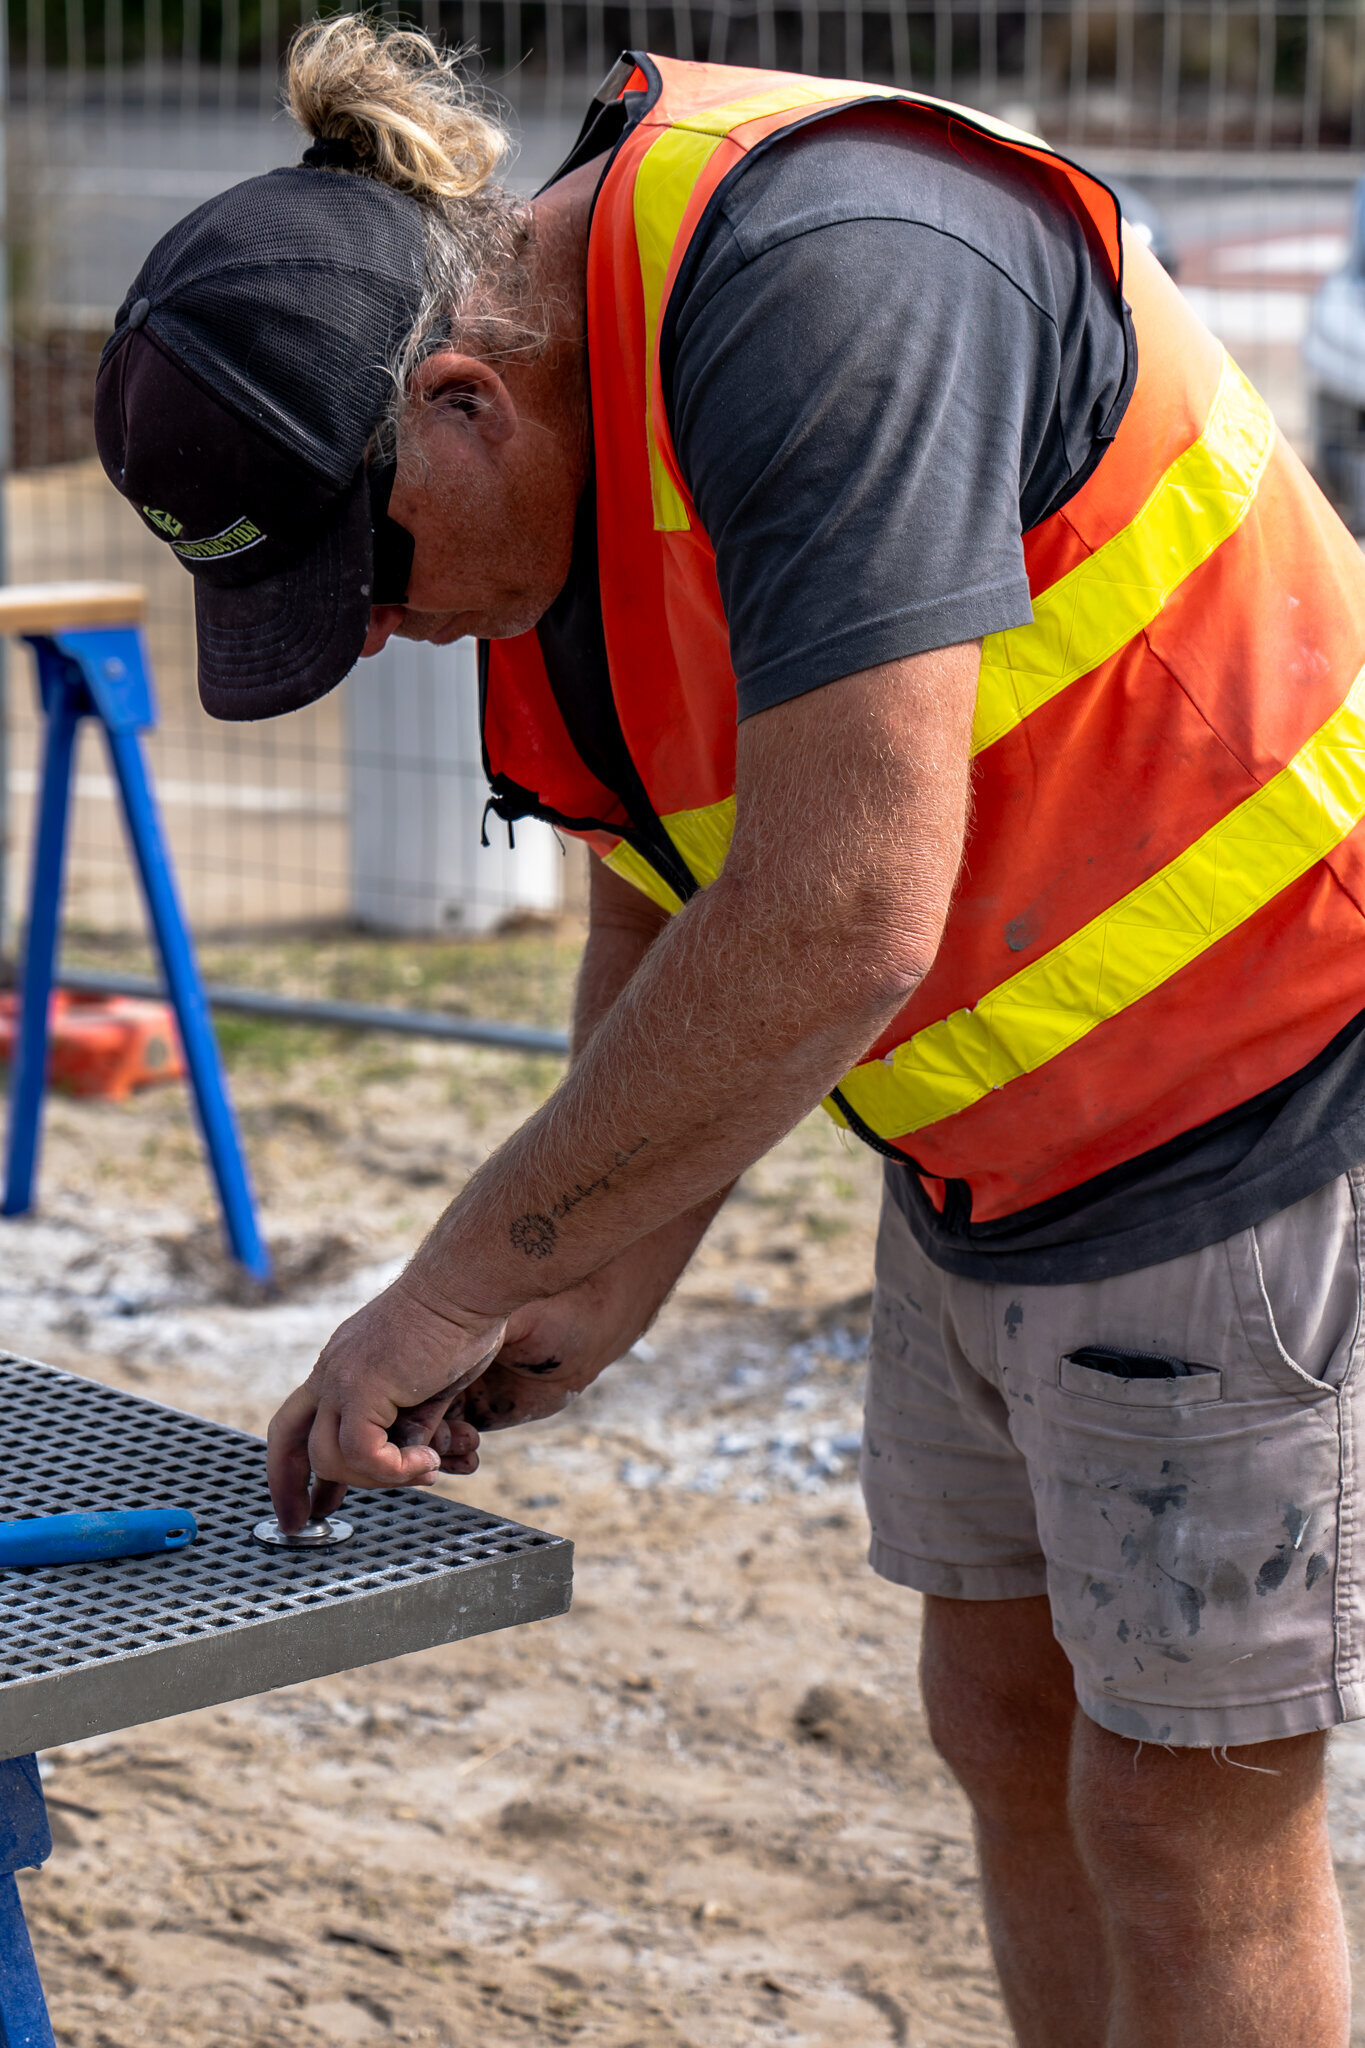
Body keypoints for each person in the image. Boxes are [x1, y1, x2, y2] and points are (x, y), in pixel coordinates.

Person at [93, 19, 1365, 2043]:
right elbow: (664, 877)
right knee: (1005, 1717)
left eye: (372, 574)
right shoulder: (564, 439)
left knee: (1179, 1806)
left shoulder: (828, 284)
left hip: (1253, 1068)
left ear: (458, 401)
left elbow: (838, 906)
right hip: (989, 1131)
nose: (383, 632)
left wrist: (441, 1285)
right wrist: (601, 1266)